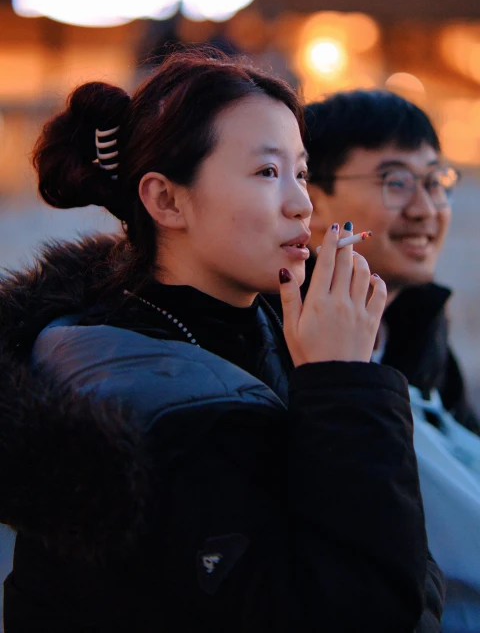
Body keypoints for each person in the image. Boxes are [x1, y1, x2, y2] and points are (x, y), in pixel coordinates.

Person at [0, 51, 443, 632]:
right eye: (266, 173)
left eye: (302, 172)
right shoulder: (138, 401)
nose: (302, 204)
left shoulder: (271, 331)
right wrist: (345, 383)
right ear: (166, 200)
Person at [300, 90, 479, 433]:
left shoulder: (419, 324)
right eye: (396, 182)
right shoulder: (278, 336)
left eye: (435, 182)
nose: (425, 209)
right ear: (312, 204)